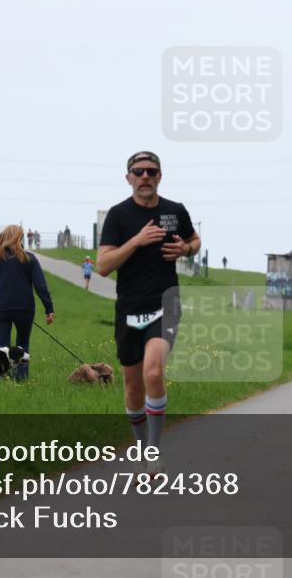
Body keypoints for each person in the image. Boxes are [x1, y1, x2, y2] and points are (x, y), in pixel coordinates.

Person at [97, 151, 200, 474]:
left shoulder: (175, 211)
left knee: (153, 373)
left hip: (165, 303)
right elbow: (103, 266)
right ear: (128, 178)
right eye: (139, 171)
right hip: (129, 306)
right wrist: (136, 241)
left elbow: (195, 240)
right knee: (133, 388)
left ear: (160, 176)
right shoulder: (118, 216)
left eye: (151, 171)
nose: (145, 177)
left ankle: (153, 452)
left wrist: (185, 249)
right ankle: (142, 451)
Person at [0, 225, 55, 368]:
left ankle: (3, 377)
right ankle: (21, 377)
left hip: (0, 309)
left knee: (2, 348)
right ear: (20, 239)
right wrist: (48, 308)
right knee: (23, 344)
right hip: (25, 309)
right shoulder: (30, 258)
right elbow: (41, 286)